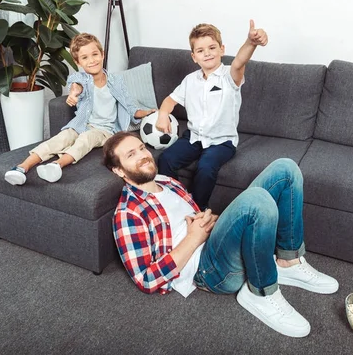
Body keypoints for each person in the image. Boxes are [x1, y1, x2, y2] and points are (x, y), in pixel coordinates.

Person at [103, 132, 339, 338]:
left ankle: (288, 261)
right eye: (131, 154)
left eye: (142, 148)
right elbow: (146, 279)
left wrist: (210, 220)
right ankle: (261, 292)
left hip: (214, 242)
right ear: (118, 170)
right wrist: (194, 238)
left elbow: (196, 217)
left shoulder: (167, 182)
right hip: (208, 272)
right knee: (256, 200)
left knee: (285, 169)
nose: (143, 155)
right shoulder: (128, 214)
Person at [4, 33, 155, 185]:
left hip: (105, 131)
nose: (92, 60)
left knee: (86, 139)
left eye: (95, 54)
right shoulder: (80, 79)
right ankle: (21, 168)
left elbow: (130, 108)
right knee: (61, 138)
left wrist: (147, 112)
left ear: (102, 55)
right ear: (78, 62)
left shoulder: (116, 81)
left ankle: (56, 165)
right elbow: (76, 86)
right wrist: (74, 94)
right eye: (85, 58)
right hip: (81, 125)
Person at [155, 20, 268, 210]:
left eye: (212, 47)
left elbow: (240, 62)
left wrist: (251, 42)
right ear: (194, 57)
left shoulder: (229, 76)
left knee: (206, 167)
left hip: (222, 142)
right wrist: (163, 113)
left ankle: (196, 211)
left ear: (222, 50)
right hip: (194, 137)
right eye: (200, 50)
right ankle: (174, 203)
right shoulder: (190, 80)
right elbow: (170, 100)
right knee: (165, 159)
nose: (207, 53)